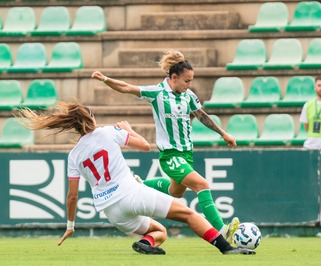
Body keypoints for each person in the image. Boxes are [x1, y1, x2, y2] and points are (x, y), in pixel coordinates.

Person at [18, 101, 255, 255]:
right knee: (188, 214)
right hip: (131, 193)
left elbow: (72, 196)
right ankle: (226, 248)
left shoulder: (74, 155)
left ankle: (146, 245)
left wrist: (70, 226)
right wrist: (129, 129)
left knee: (158, 232)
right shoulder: (108, 132)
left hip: (112, 212)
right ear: (91, 118)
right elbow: (145, 146)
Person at [91, 49, 239, 244]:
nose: (189, 85)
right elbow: (128, 87)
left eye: (191, 81)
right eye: (187, 81)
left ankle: (141, 184)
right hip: (170, 155)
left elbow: (201, 115)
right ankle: (223, 231)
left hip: (186, 154)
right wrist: (106, 79)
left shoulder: (188, 96)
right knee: (201, 185)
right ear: (174, 77)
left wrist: (223, 133)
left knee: (176, 191)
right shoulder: (157, 93)